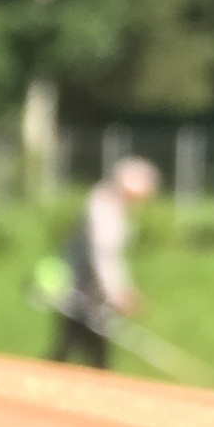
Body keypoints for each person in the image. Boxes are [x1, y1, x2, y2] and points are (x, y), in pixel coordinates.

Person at [49, 155, 160, 368]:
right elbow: (102, 257)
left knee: (73, 342)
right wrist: (115, 293)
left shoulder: (112, 207)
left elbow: (113, 257)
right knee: (88, 345)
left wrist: (123, 288)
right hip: (84, 287)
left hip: (87, 286)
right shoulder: (103, 210)